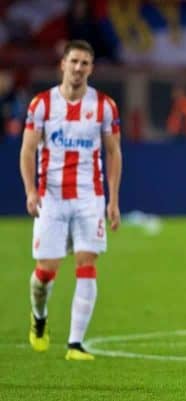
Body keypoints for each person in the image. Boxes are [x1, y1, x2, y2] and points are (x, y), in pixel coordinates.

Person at [19, 39, 122, 361]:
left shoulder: (105, 106)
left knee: (86, 262)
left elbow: (113, 152)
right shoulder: (42, 104)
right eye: (74, 62)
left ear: (91, 68)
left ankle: (75, 344)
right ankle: (39, 318)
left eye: (85, 63)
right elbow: (28, 150)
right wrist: (31, 191)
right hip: (51, 197)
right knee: (46, 272)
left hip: (89, 197)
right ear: (62, 64)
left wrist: (113, 200)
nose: (78, 68)